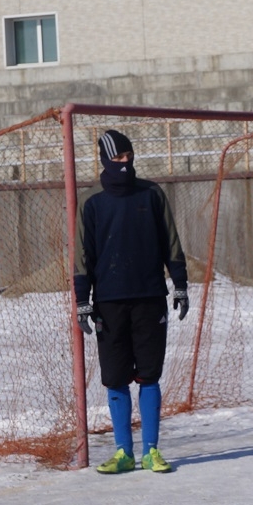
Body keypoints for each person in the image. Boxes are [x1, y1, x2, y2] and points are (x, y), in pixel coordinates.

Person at [74, 129, 189, 474]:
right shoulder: (91, 201)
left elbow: (171, 241)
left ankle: (151, 451)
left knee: (150, 376)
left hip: (150, 298)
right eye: (118, 158)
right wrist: (83, 300)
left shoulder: (152, 193)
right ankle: (123, 452)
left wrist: (180, 285)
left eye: (128, 156)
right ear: (105, 160)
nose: (125, 163)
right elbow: (83, 254)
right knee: (115, 378)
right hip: (109, 302)